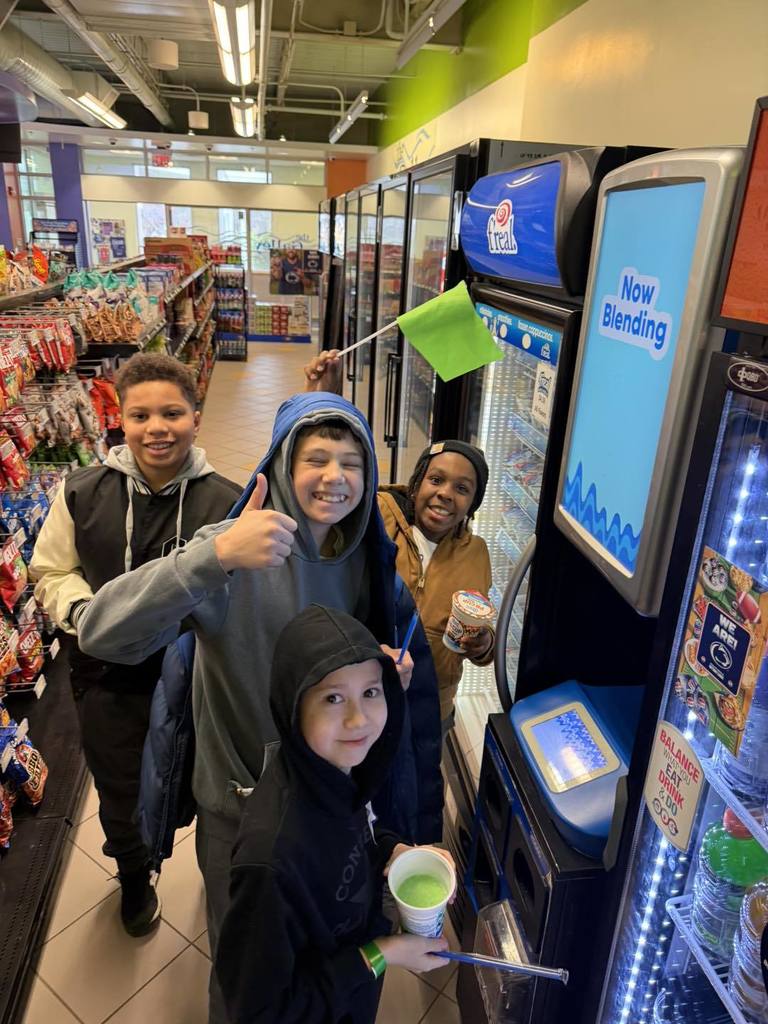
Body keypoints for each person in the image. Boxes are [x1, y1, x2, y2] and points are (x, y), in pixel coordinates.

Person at [76, 392, 442, 1023]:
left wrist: (385, 685)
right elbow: (101, 633)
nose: (335, 477)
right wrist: (212, 557)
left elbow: (378, 703)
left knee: (332, 956)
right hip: (243, 816)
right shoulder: (232, 550)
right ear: (280, 463)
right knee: (250, 985)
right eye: (316, 459)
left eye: (352, 462)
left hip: (339, 811)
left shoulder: (371, 566)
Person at [29, 353, 241, 937]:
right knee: (120, 785)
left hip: (197, 676)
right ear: (120, 420)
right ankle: (132, 874)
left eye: (172, 413)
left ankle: (214, 867)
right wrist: (81, 612)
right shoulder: (81, 492)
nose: (157, 428)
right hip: (107, 677)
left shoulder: (227, 501)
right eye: (140, 415)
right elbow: (52, 569)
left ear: (196, 417)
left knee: (203, 778)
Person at [216, 605, 450, 1024]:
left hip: (352, 989)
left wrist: (393, 850)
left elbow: (357, 835)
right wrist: (382, 953)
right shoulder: (269, 862)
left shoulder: (339, 771)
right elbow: (260, 1012)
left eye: (371, 692)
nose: (358, 720)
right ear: (292, 708)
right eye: (333, 698)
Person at [305, 351, 494, 730]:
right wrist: (322, 399)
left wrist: (483, 645)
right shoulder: (376, 515)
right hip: (361, 696)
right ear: (416, 483)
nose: (445, 494)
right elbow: (327, 484)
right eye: (436, 480)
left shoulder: (476, 553)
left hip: (432, 706)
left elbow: (481, 631)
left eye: (462, 489)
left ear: (473, 504)